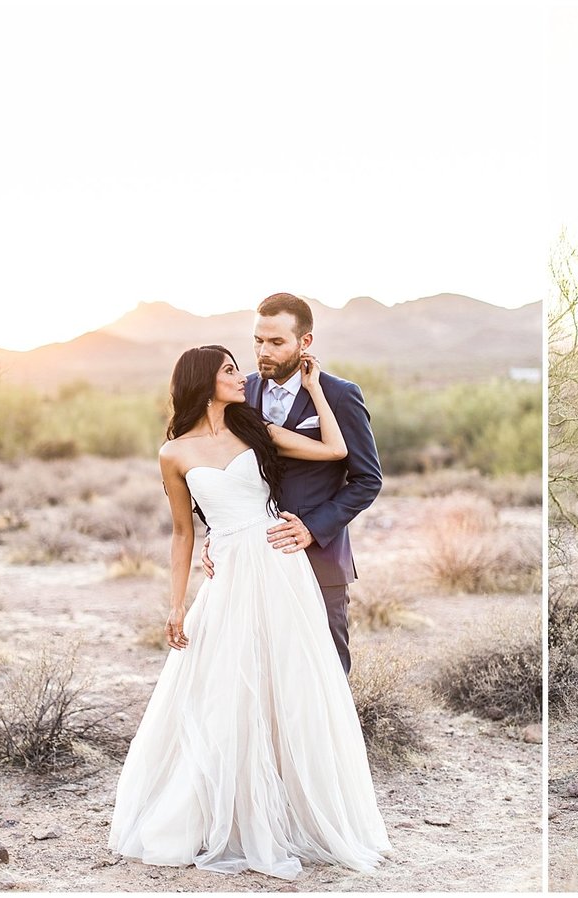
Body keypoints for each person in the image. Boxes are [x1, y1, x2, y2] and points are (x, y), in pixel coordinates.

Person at [108, 345, 391, 880]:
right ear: (203, 383)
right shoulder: (174, 455)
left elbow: (333, 451)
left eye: (238, 368)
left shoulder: (254, 428)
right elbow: (183, 532)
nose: (241, 376)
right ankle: (227, 814)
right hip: (229, 574)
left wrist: (314, 391)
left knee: (292, 682)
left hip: (280, 565)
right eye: (229, 370)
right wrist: (176, 604)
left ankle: (291, 810)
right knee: (224, 689)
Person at [202, 293, 382, 675]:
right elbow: (221, 470)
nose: (262, 351)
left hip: (317, 558)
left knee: (324, 671)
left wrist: (313, 529)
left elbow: (367, 480)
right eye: (257, 340)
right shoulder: (239, 394)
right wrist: (214, 532)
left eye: (276, 342)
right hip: (251, 559)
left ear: (305, 342)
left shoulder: (339, 395)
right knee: (259, 669)